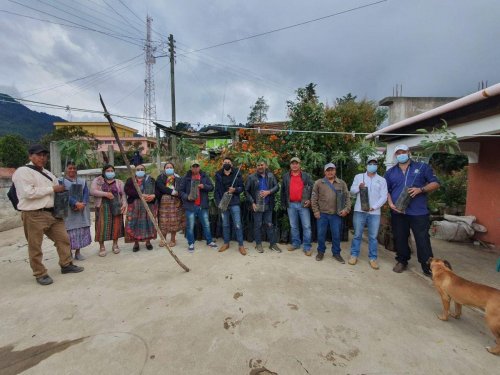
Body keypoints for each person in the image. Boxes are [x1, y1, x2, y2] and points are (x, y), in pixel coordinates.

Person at [12, 144, 84, 285]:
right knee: (35, 245)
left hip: (53, 213)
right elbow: (28, 193)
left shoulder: (48, 173)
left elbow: (57, 191)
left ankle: (66, 264)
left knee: (63, 239)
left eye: (45, 155)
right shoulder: (23, 172)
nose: (42, 158)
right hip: (34, 214)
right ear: (30, 156)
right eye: (39, 155)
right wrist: (52, 188)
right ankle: (40, 273)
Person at [384, 144, 440, 276]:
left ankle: (427, 266)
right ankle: (402, 261)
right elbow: (386, 190)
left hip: (418, 212)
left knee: (422, 239)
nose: (401, 155)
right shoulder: (390, 172)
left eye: (403, 152)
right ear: (396, 155)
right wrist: (390, 203)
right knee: (400, 238)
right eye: (398, 153)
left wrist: (421, 189)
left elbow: (435, 183)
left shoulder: (421, 167)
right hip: (398, 211)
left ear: (408, 152)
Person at [348, 158, 388, 269]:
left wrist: (374, 207)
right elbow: (351, 191)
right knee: (357, 235)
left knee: (373, 237)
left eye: (374, 164)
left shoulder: (382, 180)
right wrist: (358, 187)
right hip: (359, 210)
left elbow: (384, 196)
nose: (372, 165)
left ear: (377, 166)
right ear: (366, 165)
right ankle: (354, 255)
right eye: (370, 164)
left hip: (374, 213)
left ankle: (373, 258)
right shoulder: (359, 177)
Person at [311, 162, 351, 263]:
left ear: (335, 171)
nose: (330, 172)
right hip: (322, 214)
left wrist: (346, 209)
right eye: (328, 170)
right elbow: (314, 198)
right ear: (325, 172)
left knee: (336, 235)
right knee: (321, 234)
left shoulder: (341, 183)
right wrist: (316, 211)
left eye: (332, 170)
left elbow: (347, 198)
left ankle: (336, 253)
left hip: (336, 214)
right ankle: (320, 252)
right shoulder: (319, 183)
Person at [179, 160, 218, 252]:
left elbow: (211, 187)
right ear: (191, 168)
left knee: (206, 225)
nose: (195, 168)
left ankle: (209, 241)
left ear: (199, 167)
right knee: (190, 226)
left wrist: (203, 186)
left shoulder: (204, 176)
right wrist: (187, 197)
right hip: (190, 206)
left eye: (197, 166)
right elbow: (180, 191)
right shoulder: (186, 178)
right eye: (193, 166)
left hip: (202, 205)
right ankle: (191, 243)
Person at [245, 160, 282, 253]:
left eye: (262, 165)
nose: (260, 166)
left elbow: (277, 187)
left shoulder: (270, 176)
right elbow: (246, 191)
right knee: (258, 225)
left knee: (269, 224)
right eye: (258, 165)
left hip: (268, 205)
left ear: (265, 166)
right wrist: (252, 202)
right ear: (256, 167)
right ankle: (258, 244)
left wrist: (268, 192)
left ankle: (272, 244)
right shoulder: (251, 177)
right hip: (257, 205)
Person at [90, 164, 127, 257]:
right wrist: (105, 194)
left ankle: (115, 244)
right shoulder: (98, 180)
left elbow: (123, 194)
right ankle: (102, 246)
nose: (110, 173)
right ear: (103, 172)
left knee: (116, 225)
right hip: (103, 206)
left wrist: (124, 204)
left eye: (112, 171)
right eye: (108, 171)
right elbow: (93, 191)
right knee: (101, 226)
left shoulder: (119, 182)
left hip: (116, 206)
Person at [281, 157, 313, 256]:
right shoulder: (286, 176)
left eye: (296, 163)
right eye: (292, 163)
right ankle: (296, 243)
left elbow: (313, 188)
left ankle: (307, 247)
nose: (294, 165)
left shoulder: (306, 176)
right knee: (293, 226)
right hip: (290, 204)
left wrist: (310, 200)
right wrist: (284, 204)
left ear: (300, 164)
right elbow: (283, 191)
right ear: (290, 165)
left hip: (303, 204)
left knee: (306, 226)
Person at [60, 161, 92, 261]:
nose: (72, 170)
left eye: (74, 168)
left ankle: (78, 253)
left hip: (81, 211)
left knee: (80, 232)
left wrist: (83, 203)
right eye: (70, 168)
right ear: (65, 169)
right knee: (68, 233)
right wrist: (75, 203)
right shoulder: (61, 181)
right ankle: (68, 253)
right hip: (68, 212)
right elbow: (63, 194)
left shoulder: (82, 181)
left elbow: (86, 192)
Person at [214, 157, 246, 256]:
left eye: (228, 162)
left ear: (231, 164)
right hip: (223, 202)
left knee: (237, 224)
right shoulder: (218, 174)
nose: (227, 163)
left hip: (234, 203)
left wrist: (235, 190)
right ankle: (226, 243)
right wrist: (219, 202)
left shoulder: (237, 173)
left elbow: (242, 188)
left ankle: (241, 245)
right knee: (225, 224)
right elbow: (216, 191)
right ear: (222, 164)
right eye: (225, 162)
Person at [124, 164, 157, 252]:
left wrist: (153, 195)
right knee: (134, 223)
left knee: (148, 223)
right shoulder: (131, 180)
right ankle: (136, 243)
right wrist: (140, 195)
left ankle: (148, 242)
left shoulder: (150, 180)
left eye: (142, 169)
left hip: (148, 205)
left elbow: (156, 190)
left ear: (145, 170)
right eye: (138, 169)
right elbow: (128, 190)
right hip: (134, 206)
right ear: (135, 171)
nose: (140, 171)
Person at [156, 161, 185, 247]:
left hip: (175, 203)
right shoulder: (160, 177)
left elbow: (181, 188)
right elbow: (161, 187)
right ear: (164, 169)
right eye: (167, 167)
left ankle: (173, 239)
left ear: (173, 168)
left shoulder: (178, 178)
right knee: (163, 221)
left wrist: (178, 193)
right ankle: (163, 239)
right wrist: (172, 192)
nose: (169, 169)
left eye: (170, 167)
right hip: (163, 203)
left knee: (174, 221)